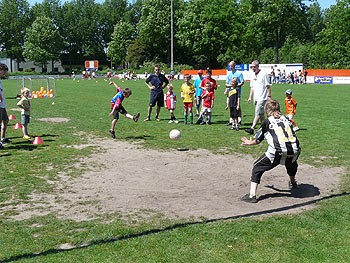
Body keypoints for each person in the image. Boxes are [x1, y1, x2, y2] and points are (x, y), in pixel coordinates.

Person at [240, 99, 301, 203]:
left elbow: (258, 140)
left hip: (277, 151)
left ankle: (252, 195)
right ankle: (293, 182)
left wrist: (250, 143)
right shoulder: (286, 119)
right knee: (291, 162)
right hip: (296, 149)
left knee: (257, 166)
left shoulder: (267, 122)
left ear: (267, 110)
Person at [245, 60, 271, 135]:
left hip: (262, 97)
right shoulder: (252, 75)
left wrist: (269, 95)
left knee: (257, 113)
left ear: (257, 66)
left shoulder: (264, 74)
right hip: (255, 97)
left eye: (254, 67)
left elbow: (267, 86)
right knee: (261, 114)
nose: (252, 68)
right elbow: (252, 87)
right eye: (251, 67)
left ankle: (252, 128)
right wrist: (250, 97)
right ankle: (267, 128)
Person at [225, 61, 244, 126]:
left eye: (232, 66)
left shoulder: (239, 73)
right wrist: (227, 89)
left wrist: (236, 86)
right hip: (230, 92)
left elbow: (242, 82)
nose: (230, 67)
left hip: (237, 91)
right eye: (229, 66)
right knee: (231, 105)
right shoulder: (228, 74)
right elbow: (227, 83)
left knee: (237, 105)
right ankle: (231, 121)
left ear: (234, 65)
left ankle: (239, 119)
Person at [0, 63, 10, 149]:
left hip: (2, 105)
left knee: (6, 120)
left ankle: (3, 138)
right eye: (4, 71)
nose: (4, 73)